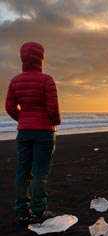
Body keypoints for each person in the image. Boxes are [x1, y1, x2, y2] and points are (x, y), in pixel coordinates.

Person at [5, 41, 61, 223]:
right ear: (41, 58)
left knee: (23, 171)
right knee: (39, 172)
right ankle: (38, 210)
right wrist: (56, 121)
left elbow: (10, 107)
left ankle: (21, 209)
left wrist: (23, 119)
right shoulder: (47, 80)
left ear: (23, 58)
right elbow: (52, 108)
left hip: (24, 132)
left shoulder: (15, 81)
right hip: (44, 132)